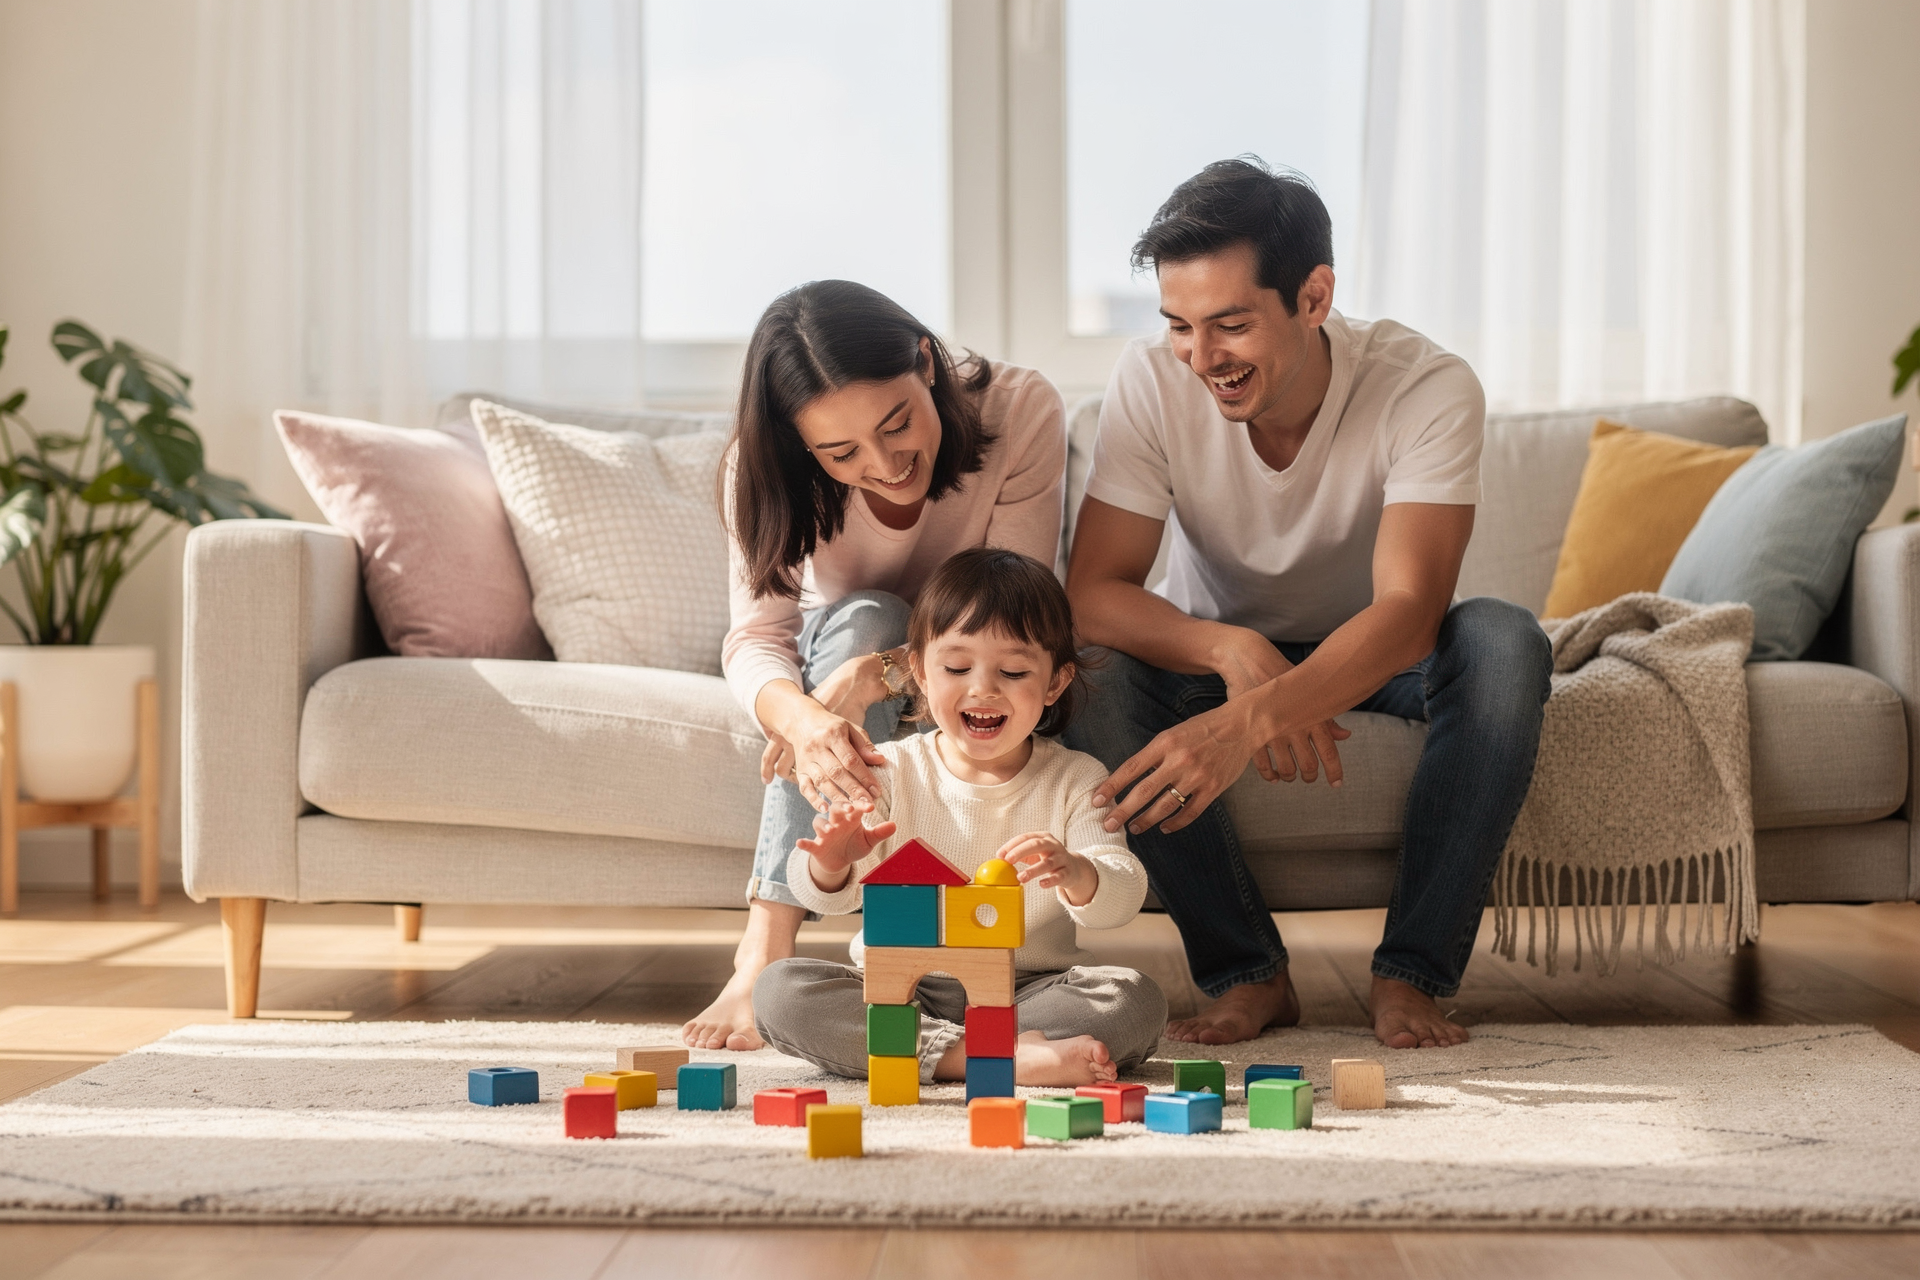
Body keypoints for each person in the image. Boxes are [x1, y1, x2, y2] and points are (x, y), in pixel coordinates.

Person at [1064, 158, 1552, 1051]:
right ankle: (1249, 972)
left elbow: (1409, 611)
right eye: (1179, 326)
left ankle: (1412, 973)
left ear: (1315, 297)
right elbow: (1092, 597)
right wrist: (1229, 650)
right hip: (1215, 651)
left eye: (1231, 325)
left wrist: (1254, 720)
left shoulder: (1426, 386)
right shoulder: (1149, 384)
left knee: (1505, 641)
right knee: (1091, 679)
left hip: (1380, 653)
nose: (1202, 358)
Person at [684, 281, 1067, 1051]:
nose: (886, 464)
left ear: (926, 362)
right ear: (802, 448)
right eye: (841, 453)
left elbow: (1012, 612)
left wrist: (875, 677)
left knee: (875, 632)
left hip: (975, 658)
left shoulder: (1019, 409)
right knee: (866, 617)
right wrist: (807, 716)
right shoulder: (757, 474)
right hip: (845, 647)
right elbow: (757, 635)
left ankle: (919, 967)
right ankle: (765, 942)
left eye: (897, 426)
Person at [754, 547, 1165, 1085]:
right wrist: (831, 863)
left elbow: (1123, 893)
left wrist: (1079, 872)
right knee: (780, 991)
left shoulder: (1077, 777)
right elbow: (828, 896)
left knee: (1133, 1000)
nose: (983, 688)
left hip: (1028, 991)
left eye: (1014, 671)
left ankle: (945, 1052)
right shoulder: (890, 769)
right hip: (903, 990)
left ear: (1055, 683)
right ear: (921, 672)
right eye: (956, 667)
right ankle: (986, 1058)